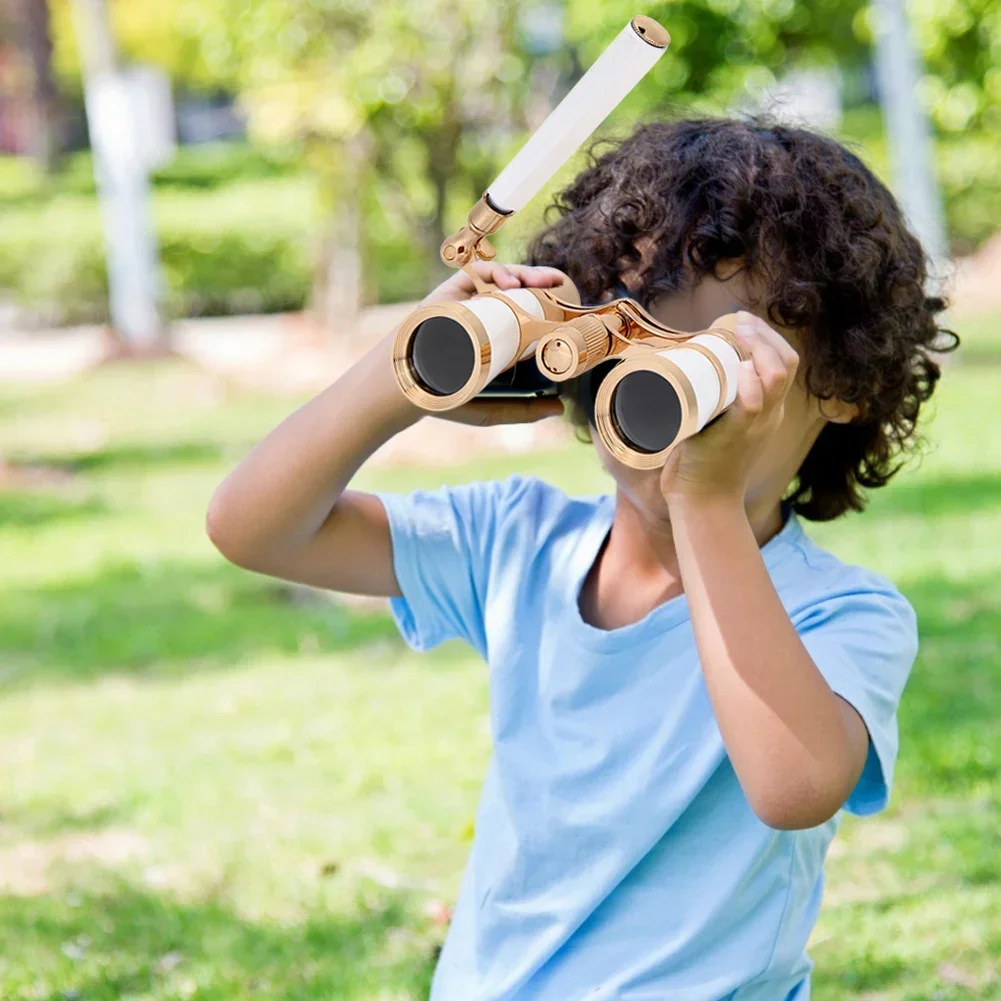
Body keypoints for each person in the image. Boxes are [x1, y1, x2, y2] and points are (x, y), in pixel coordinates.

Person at [206, 118, 955, 1000]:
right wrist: (400, 370)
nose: (657, 411)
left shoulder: (841, 613)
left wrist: (703, 499)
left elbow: (793, 785)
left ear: (840, 385)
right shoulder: (518, 542)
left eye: (710, 375)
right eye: (633, 358)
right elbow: (253, 526)